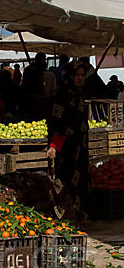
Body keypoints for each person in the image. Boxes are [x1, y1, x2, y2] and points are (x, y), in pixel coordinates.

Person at [47, 61, 90, 225]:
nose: (79, 78)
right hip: (66, 147)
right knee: (64, 182)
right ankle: (65, 218)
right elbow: (57, 123)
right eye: (77, 75)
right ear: (70, 76)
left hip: (80, 145)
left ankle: (77, 216)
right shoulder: (62, 94)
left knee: (78, 183)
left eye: (82, 75)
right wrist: (53, 145)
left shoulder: (79, 93)